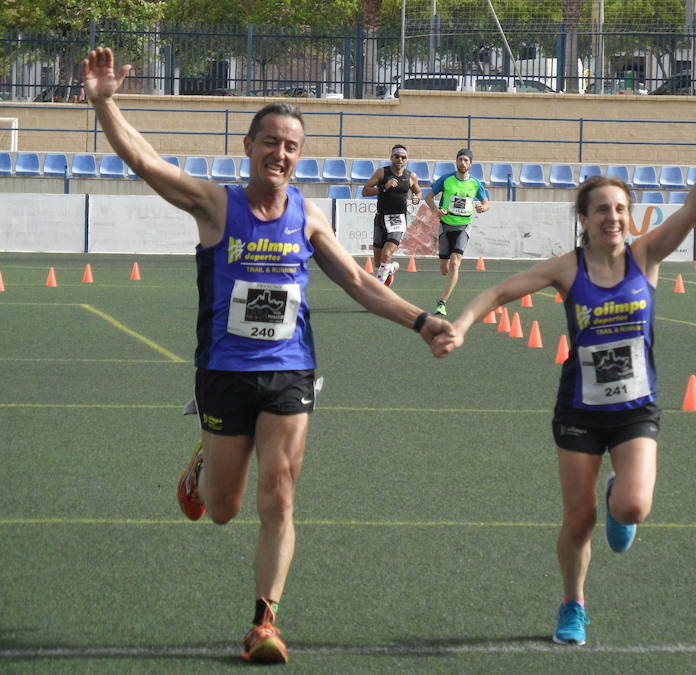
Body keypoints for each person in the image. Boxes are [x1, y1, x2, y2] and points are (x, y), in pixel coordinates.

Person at [81, 47, 455, 664]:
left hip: (288, 372)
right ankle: (202, 465)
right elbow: (145, 162)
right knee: (224, 510)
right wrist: (104, 101)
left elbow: (360, 283)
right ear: (249, 147)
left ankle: (265, 621)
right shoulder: (215, 204)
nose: (280, 154)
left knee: (278, 494)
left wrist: (420, 320)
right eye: (270, 142)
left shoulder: (307, 216)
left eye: (291, 146)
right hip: (225, 373)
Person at [434, 102, 696, 646]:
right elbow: (500, 290)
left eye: (620, 208)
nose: (613, 218)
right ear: (585, 218)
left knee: (632, 505)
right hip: (579, 410)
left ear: (630, 214)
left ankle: (618, 501)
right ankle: (573, 603)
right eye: (601, 210)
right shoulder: (566, 269)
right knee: (577, 520)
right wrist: (460, 324)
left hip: (635, 409)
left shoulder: (645, 256)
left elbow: (691, 216)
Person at [424, 148, 490, 315]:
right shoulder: (446, 180)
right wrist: (436, 211)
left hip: (463, 227)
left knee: (455, 263)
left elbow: (486, 202)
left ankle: (442, 303)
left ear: (471, 164)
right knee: (444, 269)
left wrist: (483, 207)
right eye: (460, 159)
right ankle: (445, 286)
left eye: (466, 160)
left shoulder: (475, 183)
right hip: (446, 226)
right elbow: (428, 197)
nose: (463, 163)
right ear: (456, 161)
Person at [361, 144, 422, 287]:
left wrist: (417, 198)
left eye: (403, 157)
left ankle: (378, 290)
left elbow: (418, 192)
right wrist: (384, 187)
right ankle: (391, 268)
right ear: (391, 158)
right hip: (381, 218)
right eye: (397, 156)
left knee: (387, 254)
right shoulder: (382, 173)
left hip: (398, 219)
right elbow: (365, 191)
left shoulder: (410, 176)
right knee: (379, 262)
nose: (400, 159)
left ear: (406, 159)